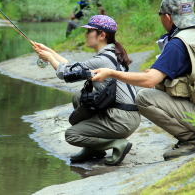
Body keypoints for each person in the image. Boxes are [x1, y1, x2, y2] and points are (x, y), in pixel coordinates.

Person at [91, 0, 195, 161]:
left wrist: (112, 72)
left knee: (144, 97)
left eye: (160, 15)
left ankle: (193, 141)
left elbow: (150, 81)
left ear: (167, 16)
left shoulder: (178, 43)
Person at [33, 15, 140, 165]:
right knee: (79, 97)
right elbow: (72, 67)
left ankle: (116, 144)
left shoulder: (101, 59)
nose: (86, 34)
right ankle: (93, 150)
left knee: (71, 135)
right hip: (129, 117)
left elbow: (66, 74)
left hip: (121, 120)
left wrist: (50, 58)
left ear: (102, 35)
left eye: (89, 31)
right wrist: (49, 51)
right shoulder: (111, 54)